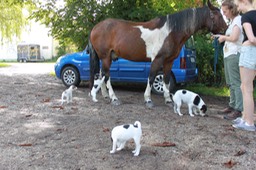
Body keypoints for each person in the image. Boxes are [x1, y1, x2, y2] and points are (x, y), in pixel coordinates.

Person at [215, 0, 244, 120]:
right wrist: (219, 37)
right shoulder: (233, 22)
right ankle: (232, 105)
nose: (224, 13)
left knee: (236, 82)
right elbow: (229, 37)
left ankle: (238, 109)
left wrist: (223, 38)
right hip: (228, 54)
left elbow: (234, 37)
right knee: (230, 82)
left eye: (225, 11)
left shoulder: (238, 20)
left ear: (232, 9)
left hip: (234, 54)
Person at [232, 0, 256, 131]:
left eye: (238, 5)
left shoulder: (246, 17)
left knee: (247, 88)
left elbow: (251, 38)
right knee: (244, 86)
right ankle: (245, 117)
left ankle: (249, 123)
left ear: (244, 2)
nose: (238, 8)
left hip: (249, 52)